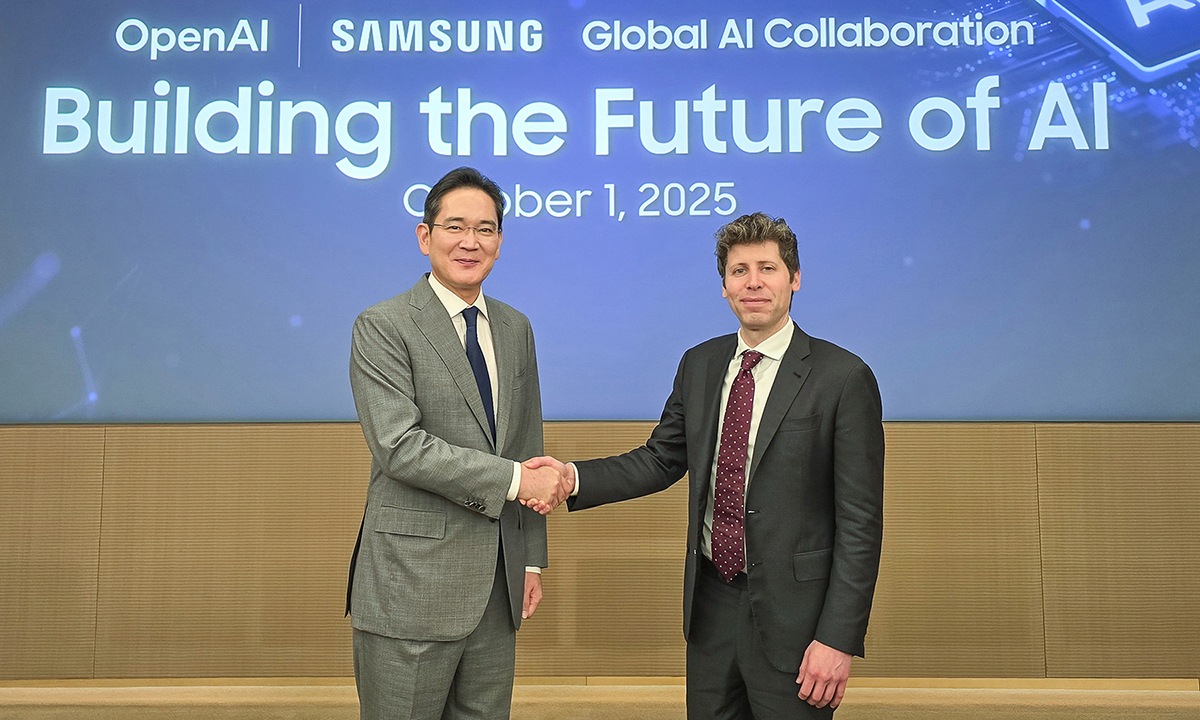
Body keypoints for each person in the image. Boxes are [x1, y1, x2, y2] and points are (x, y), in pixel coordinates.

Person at [527, 212, 884, 719]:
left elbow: (860, 524)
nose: (753, 282)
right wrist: (572, 477)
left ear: (795, 279)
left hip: (798, 622)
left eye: (767, 268)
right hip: (711, 605)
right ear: (724, 286)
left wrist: (837, 638)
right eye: (739, 271)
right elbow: (660, 459)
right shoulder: (700, 364)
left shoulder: (843, 377)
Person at [345, 166, 568, 720]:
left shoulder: (515, 328)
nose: (471, 242)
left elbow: (527, 442)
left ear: (500, 241)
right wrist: (516, 480)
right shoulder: (383, 325)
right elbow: (399, 446)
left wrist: (531, 561)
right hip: (410, 583)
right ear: (425, 237)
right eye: (455, 227)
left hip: (498, 584)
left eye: (485, 229)